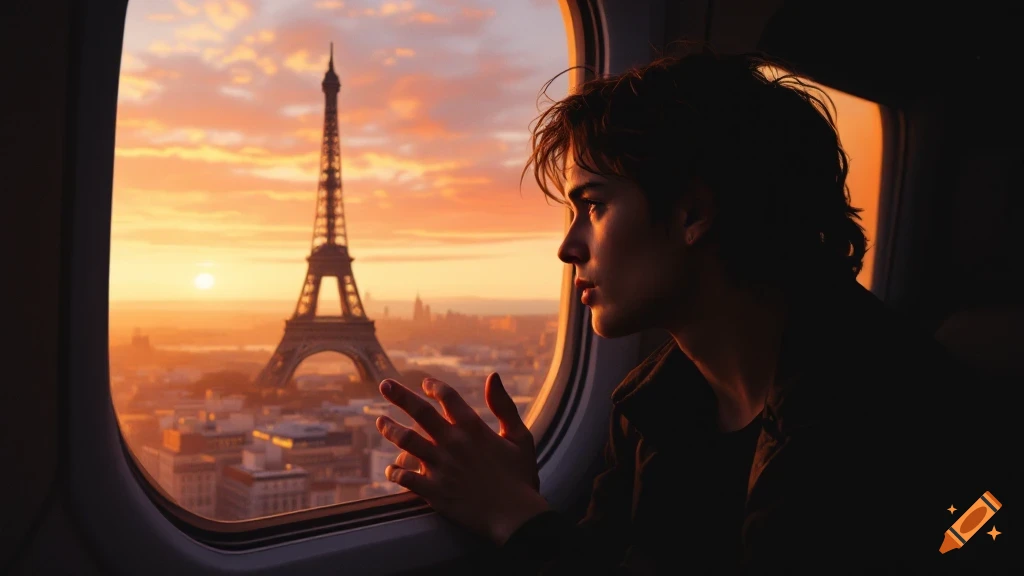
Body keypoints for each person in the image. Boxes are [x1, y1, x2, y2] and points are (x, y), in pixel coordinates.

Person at [373, 51, 1013, 574]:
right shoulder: (655, 402)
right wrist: (524, 503)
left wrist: (515, 516)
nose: (568, 247)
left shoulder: (874, 413)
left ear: (691, 214)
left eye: (592, 205)